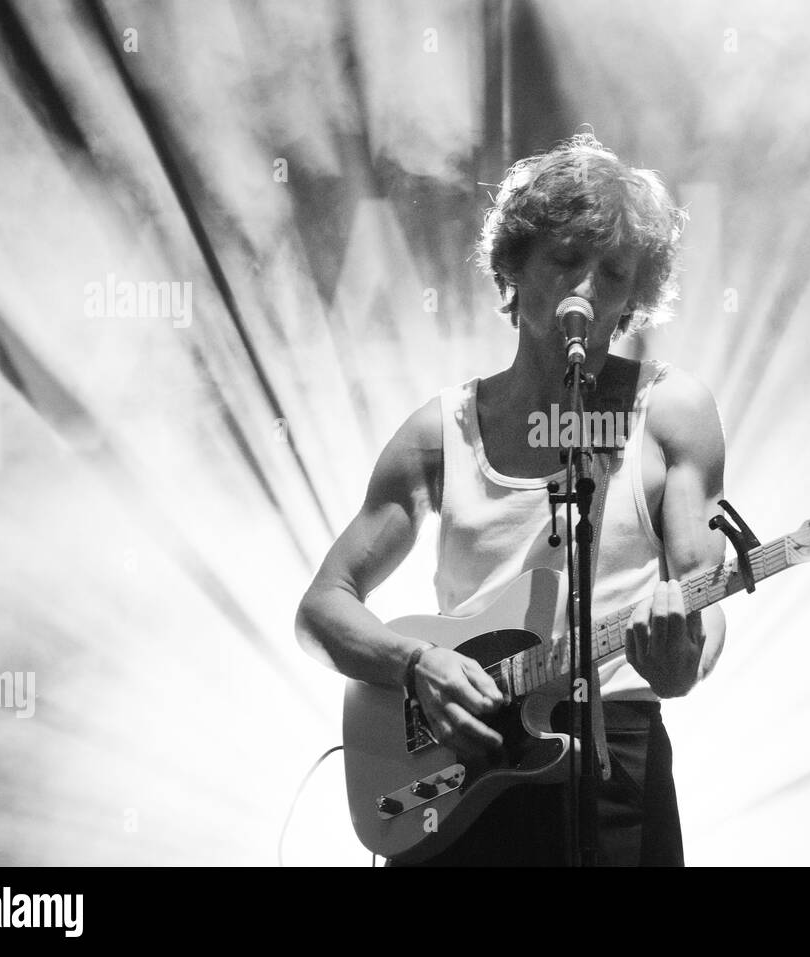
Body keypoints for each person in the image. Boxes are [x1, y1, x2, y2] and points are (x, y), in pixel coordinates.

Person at [294, 132, 727, 866]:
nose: (588, 287)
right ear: (513, 267)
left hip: (617, 757)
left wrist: (684, 657)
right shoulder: (442, 432)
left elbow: (702, 596)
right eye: (565, 259)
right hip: (457, 767)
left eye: (615, 271)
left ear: (633, 298)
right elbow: (322, 606)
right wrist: (415, 665)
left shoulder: (672, 412)